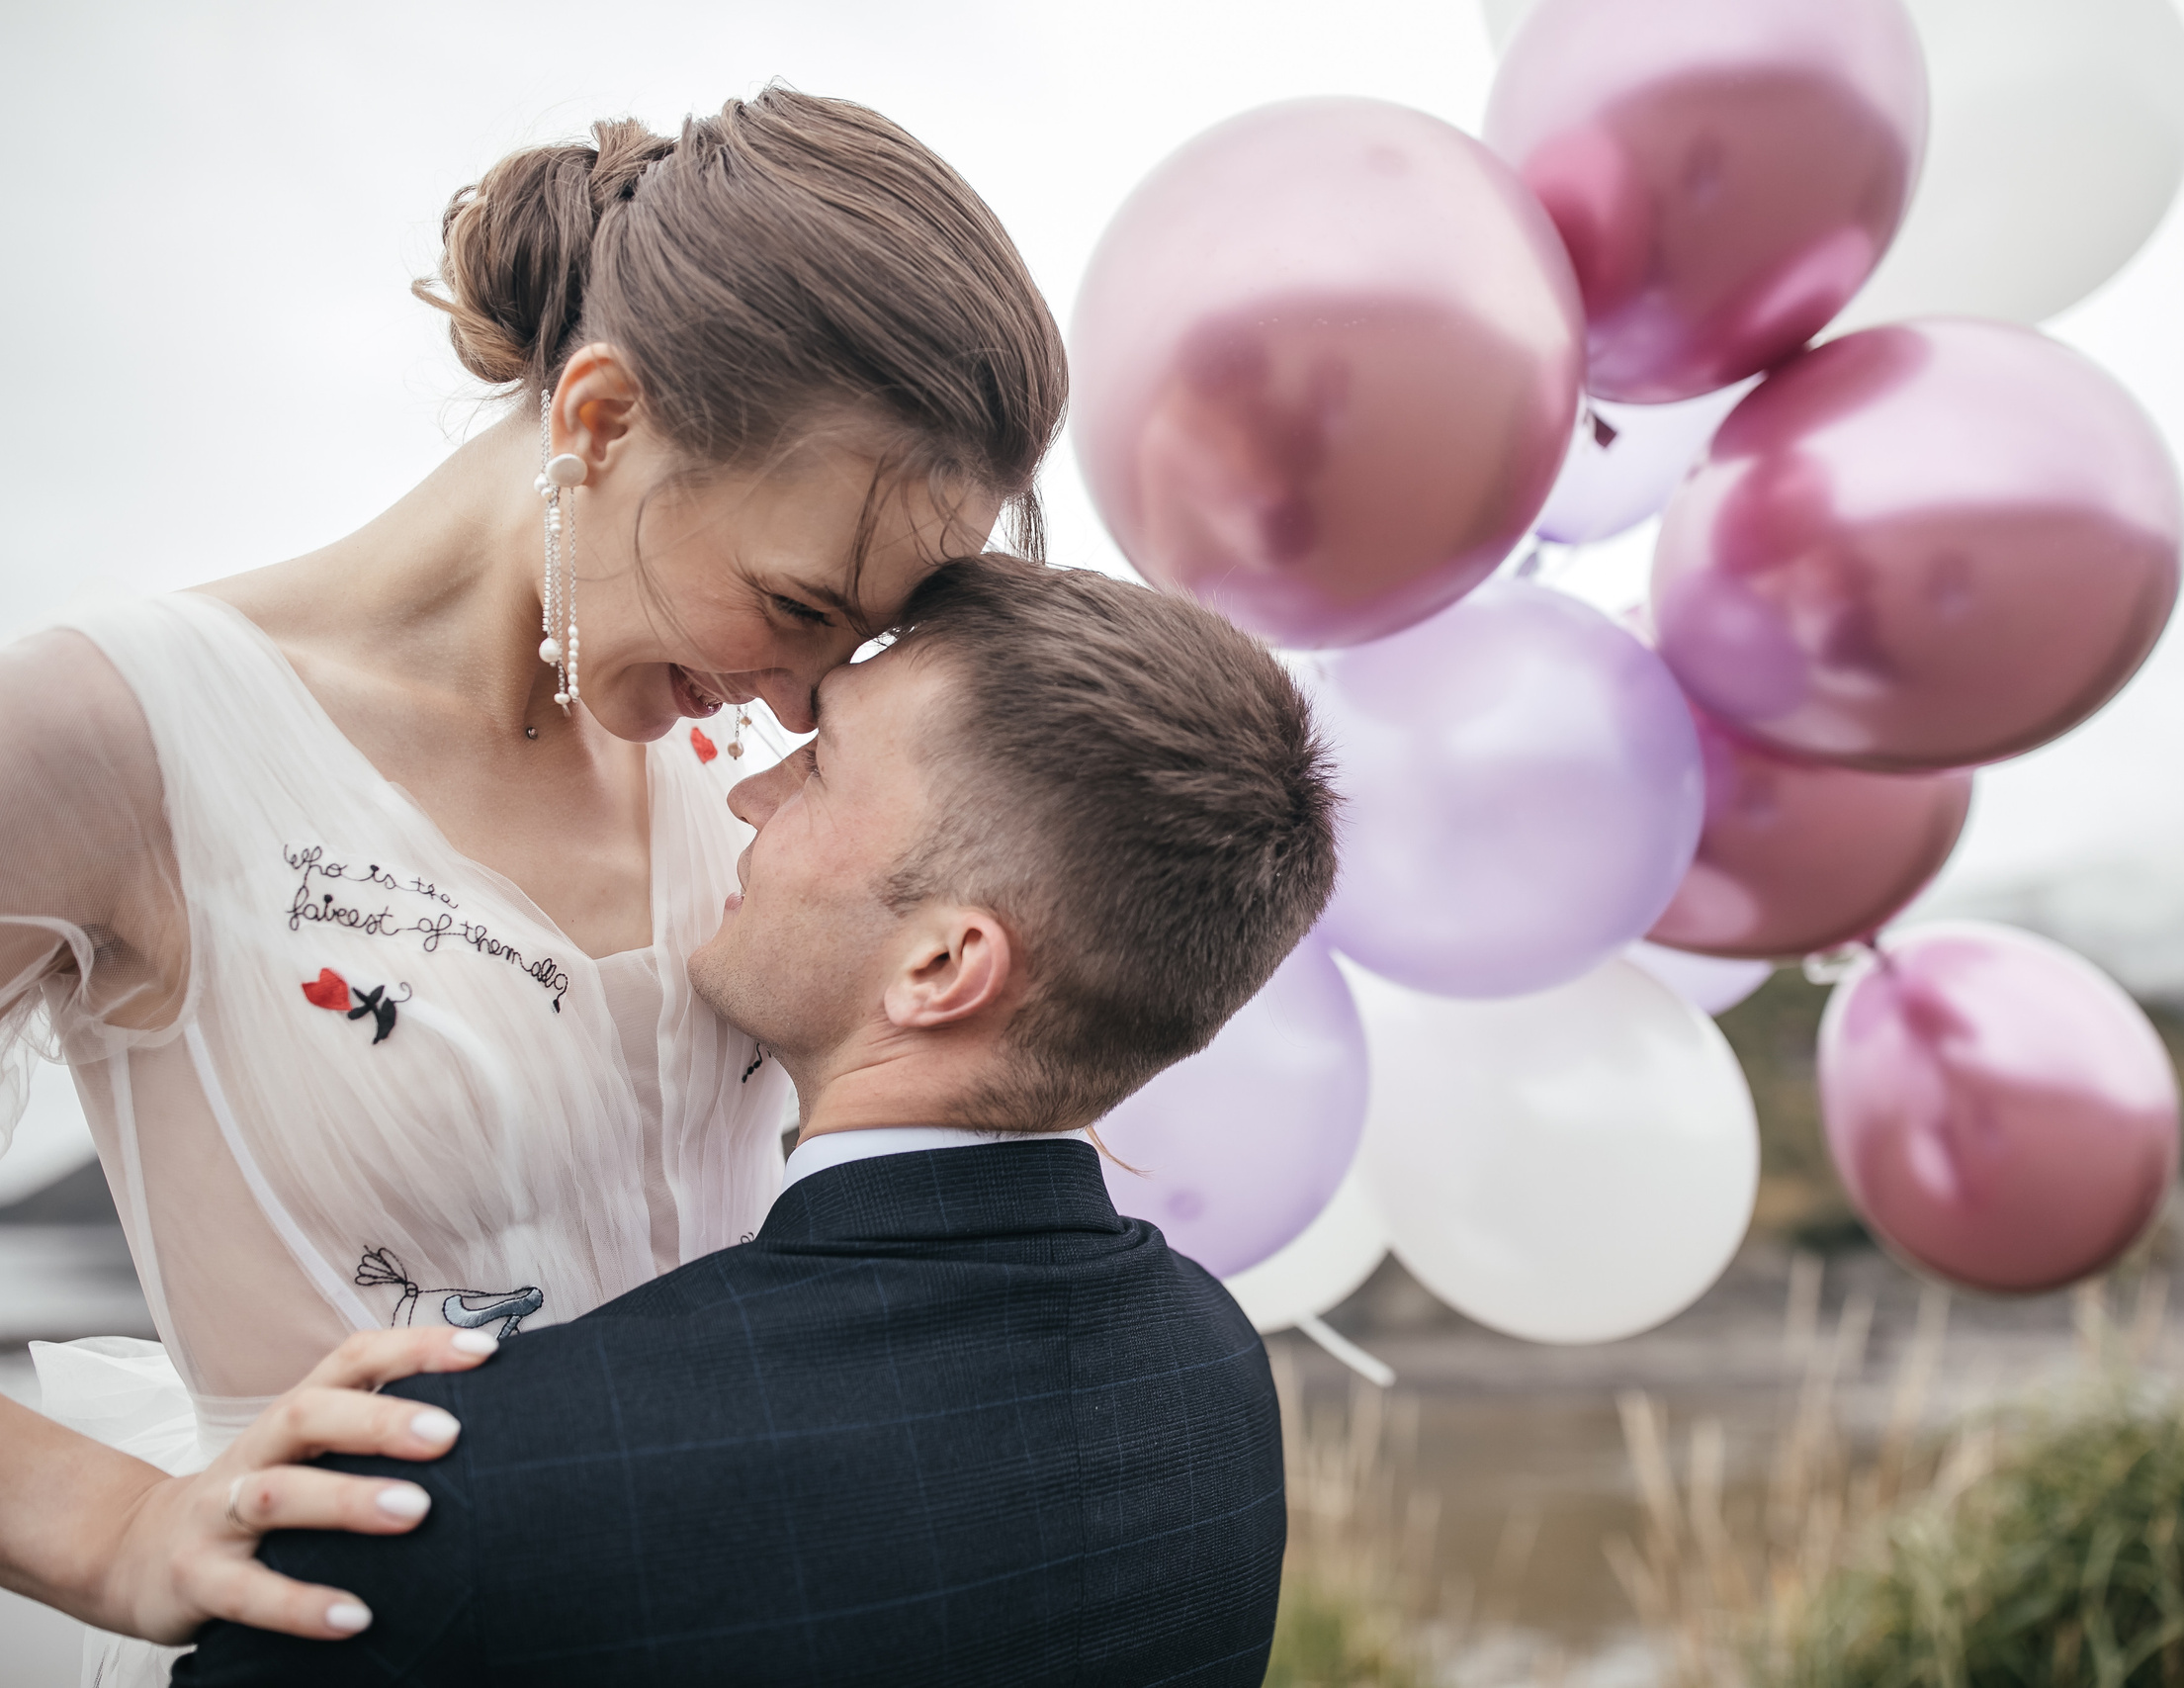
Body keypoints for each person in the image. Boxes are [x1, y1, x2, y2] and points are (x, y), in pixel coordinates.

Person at [0, 89, 1067, 1684]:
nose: (796, 701)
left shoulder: (766, 781)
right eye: (792, 601)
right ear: (596, 419)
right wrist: (113, 1530)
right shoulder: (105, 736)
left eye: (852, 647)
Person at [169, 556, 1341, 1687]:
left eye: (819, 766)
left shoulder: (462, 1481)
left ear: (940, 966)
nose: (745, 790)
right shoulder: (1217, 1372)